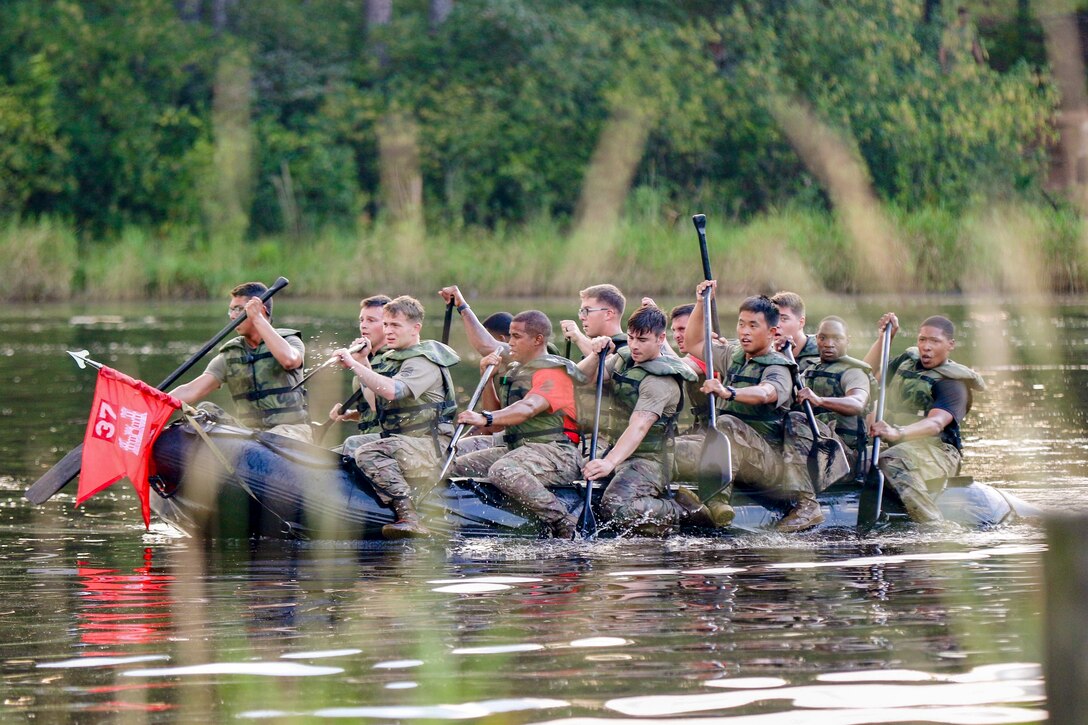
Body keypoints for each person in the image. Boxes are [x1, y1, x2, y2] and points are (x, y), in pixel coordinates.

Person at [684, 282, 825, 532]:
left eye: (753, 325)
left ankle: (717, 501)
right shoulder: (734, 355)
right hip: (734, 451)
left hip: (770, 465)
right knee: (682, 444)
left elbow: (766, 393)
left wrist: (730, 392)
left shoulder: (779, 367)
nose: (744, 332)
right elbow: (694, 342)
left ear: (772, 332)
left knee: (726, 424)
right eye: (741, 324)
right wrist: (700, 303)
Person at [451, 310, 586, 539]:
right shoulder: (515, 372)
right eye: (510, 335)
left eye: (516, 336)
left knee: (502, 470)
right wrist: (488, 378)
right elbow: (495, 425)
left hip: (557, 454)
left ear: (538, 340)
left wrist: (484, 418)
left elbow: (528, 408)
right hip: (520, 449)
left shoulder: (553, 374)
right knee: (456, 466)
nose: (509, 342)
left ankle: (563, 520)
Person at [334, 295, 460, 539]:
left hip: (431, 446)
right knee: (350, 445)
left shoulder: (423, 361)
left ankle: (409, 516)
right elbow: (374, 405)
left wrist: (353, 365)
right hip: (403, 442)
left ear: (415, 329)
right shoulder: (394, 359)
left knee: (369, 452)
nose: (388, 331)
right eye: (386, 325)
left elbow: (393, 391)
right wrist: (362, 362)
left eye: (395, 326)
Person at [576, 304, 704, 535]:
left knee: (615, 505)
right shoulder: (624, 360)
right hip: (616, 448)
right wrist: (596, 355)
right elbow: (582, 378)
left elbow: (639, 425)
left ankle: (681, 509)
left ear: (660, 339)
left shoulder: (660, 381)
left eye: (642, 340)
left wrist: (608, 463)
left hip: (650, 460)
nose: (634, 345)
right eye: (631, 337)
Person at [864, 313, 985, 523]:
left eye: (935, 341)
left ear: (950, 345)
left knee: (892, 461)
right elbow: (866, 374)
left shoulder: (952, 383)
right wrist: (885, 338)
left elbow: (935, 423)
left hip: (939, 452)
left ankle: (933, 525)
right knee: (855, 459)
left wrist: (896, 432)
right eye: (922, 340)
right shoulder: (907, 363)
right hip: (898, 445)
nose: (926, 347)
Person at [171, 281, 311, 442]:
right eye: (231, 309)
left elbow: (289, 360)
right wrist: (152, 401)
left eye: (238, 309)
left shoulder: (290, 341)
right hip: (249, 434)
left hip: (292, 431)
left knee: (271, 441)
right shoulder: (231, 354)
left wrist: (258, 319)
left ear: (261, 310)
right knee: (205, 410)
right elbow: (191, 390)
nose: (232, 316)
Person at [794, 316, 874, 479]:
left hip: (844, 453)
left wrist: (820, 400)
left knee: (797, 421)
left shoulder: (853, 372)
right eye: (823, 338)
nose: (828, 344)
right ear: (816, 339)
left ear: (847, 341)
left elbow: (857, 403)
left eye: (837, 338)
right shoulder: (809, 371)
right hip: (814, 443)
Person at [327, 294, 391, 455]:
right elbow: (371, 410)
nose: (363, 325)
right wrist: (350, 415)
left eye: (371, 320)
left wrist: (360, 361)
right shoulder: (366, 358)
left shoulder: (396, 359)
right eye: (361, 320)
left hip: (389, 442)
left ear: (389, 324)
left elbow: (385, 407)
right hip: (367, 438)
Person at [560, 283, 628, 358]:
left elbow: (610, 367)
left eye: (586, 310)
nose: (581, 317)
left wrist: (578, 337)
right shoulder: (588, 350)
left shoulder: (628, 348)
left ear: (608, 314)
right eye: (581, 311)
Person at [770, 291, 819, 374]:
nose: (776, 325)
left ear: (801, 322)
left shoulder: (823, 352)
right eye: (773, 318)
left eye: (784, 319)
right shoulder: (764, 352)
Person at [939, 6, 986, 72]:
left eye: (967, 15)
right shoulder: (950, 29)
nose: (966, 18)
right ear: (959, 15)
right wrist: (943, 67)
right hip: (953, 65)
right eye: (964, 15)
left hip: (967, 63)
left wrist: (981, 63)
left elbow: (975, 47)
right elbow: (943, 49)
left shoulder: (971, 29)